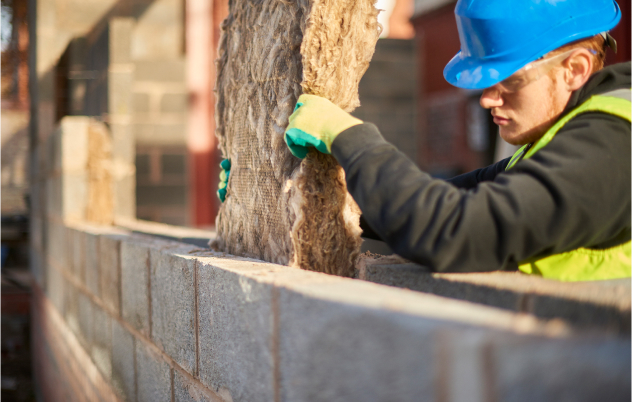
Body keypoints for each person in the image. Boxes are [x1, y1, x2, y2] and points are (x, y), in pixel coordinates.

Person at [282, 0, 631, 281]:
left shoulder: (614, 148)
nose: (488, 99)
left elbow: (450, 229)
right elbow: (441, 199)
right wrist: (295, 194)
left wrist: (348, 136)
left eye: (509, 80)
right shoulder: (561, 140)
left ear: (575, 69)